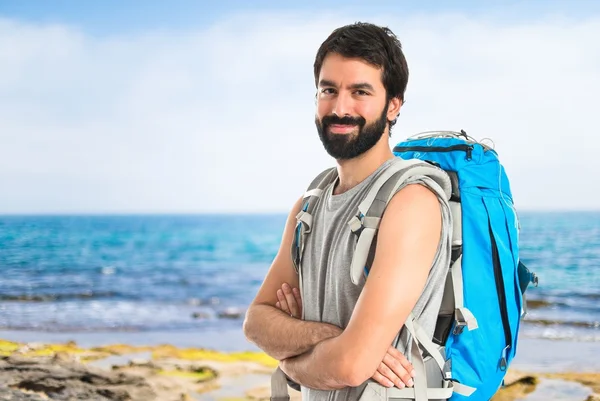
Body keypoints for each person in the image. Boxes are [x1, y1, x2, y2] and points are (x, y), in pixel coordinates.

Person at [243, 22, 453, 400]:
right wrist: (326, 336)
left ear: (393, 105)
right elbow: (256, 322)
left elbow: (351, 366)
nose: (340, 108)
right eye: (329, 90)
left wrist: (289, 355)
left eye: (360, 92)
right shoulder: (309, 205)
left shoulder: (410, 201)